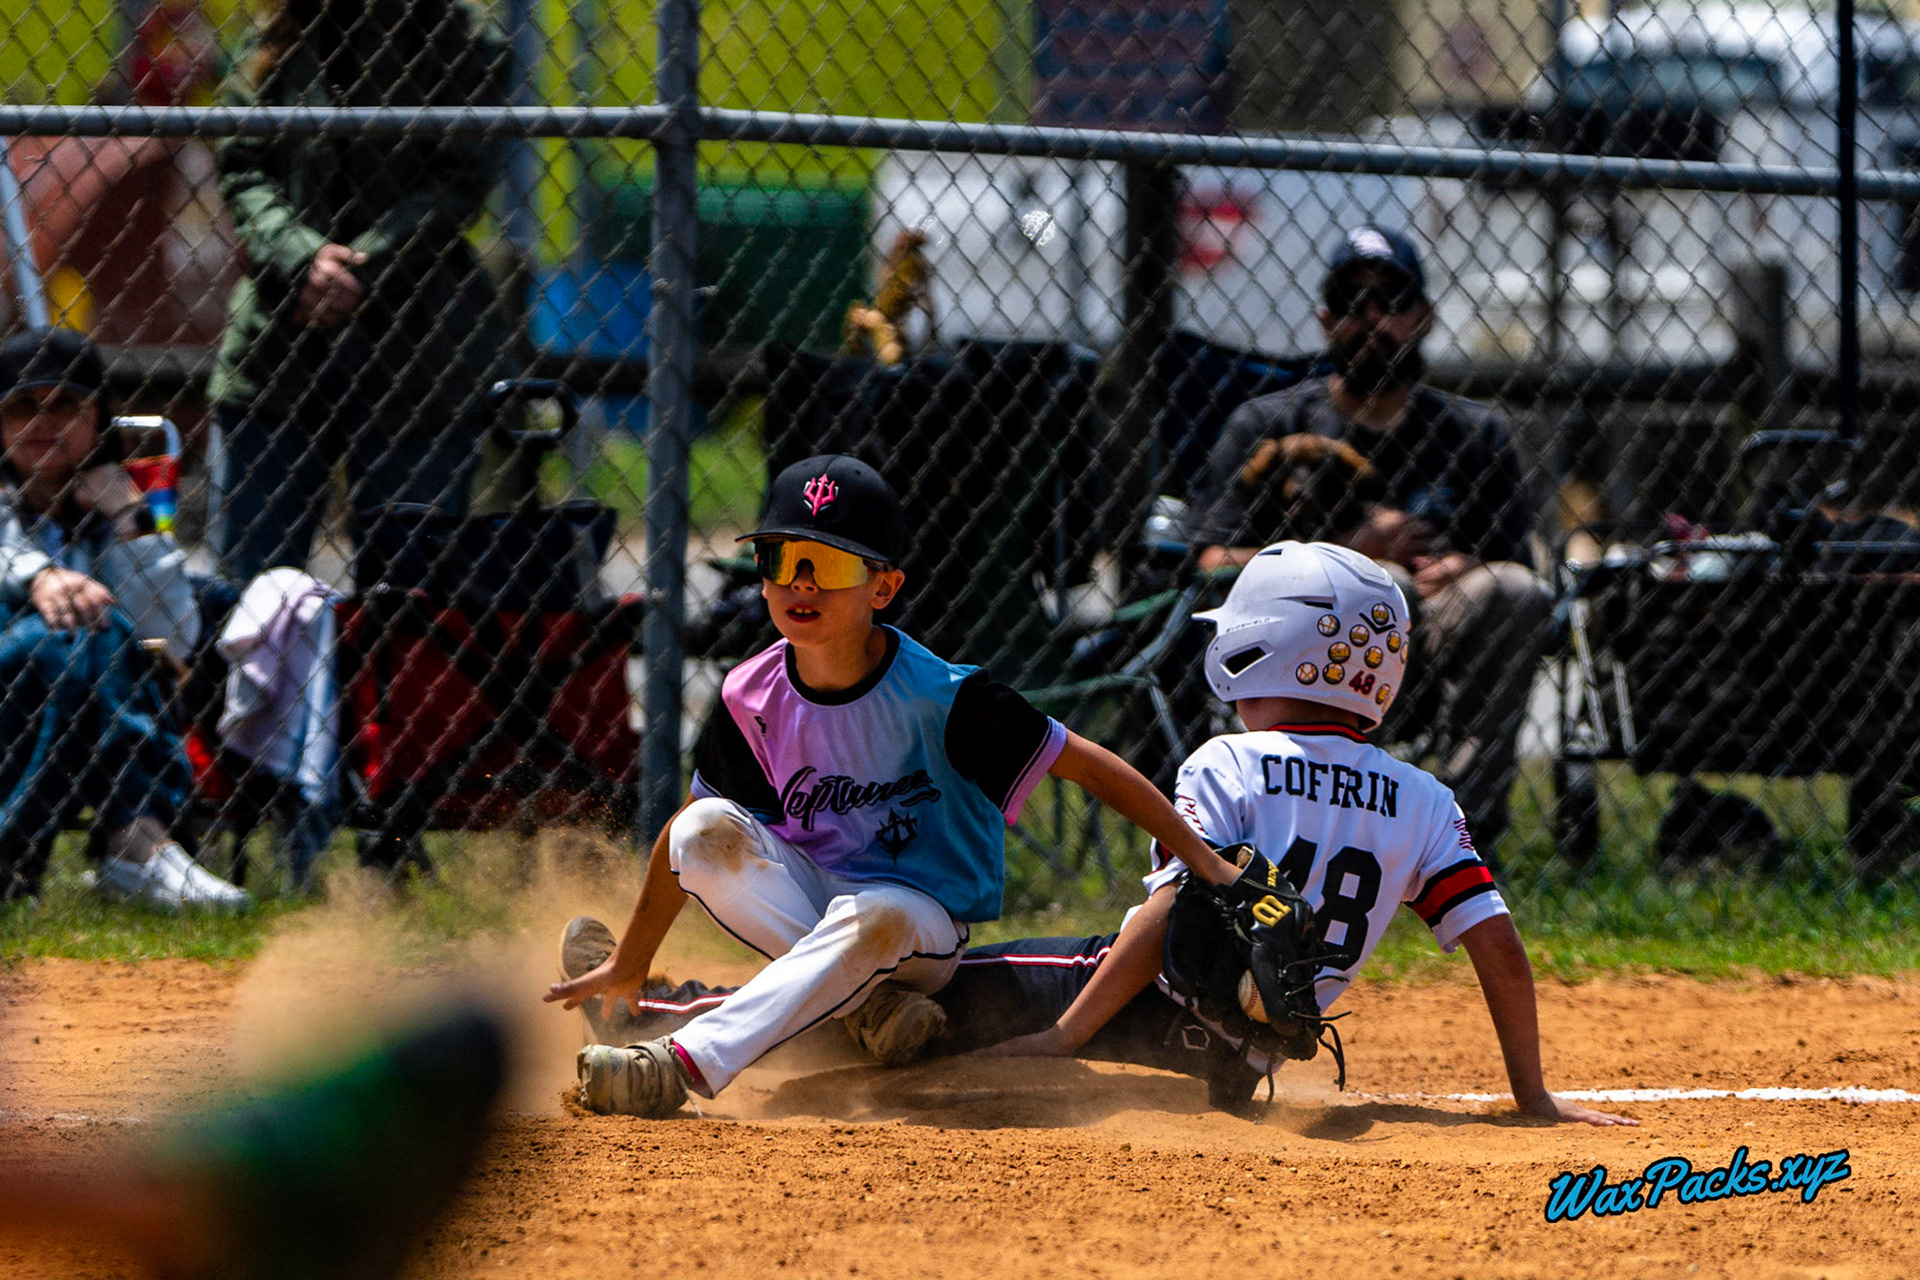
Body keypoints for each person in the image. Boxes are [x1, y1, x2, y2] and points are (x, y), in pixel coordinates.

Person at [585, 544, 1632, 1127]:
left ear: (1270, 652)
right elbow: (1494, 939)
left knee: (927, 996)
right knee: (902, 1020)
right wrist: (1532, 1095)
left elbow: (1174, 909)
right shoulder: (1423, 796)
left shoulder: (1228, 761)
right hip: (1242, 1050)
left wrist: (1068, 1032)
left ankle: (673, 1007)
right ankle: (692, 1007)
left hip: (1125, 997)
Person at [544, 454, 1254, 1118]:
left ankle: (678, 1064)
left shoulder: (945, 698)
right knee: (703, 829)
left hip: (918, 925)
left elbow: (1094, 765)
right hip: (817, 908)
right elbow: (687, 842)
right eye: (778, 560)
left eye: (824, 563)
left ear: (883, 586)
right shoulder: (746, 692)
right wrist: (629, 960)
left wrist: (1211, 865)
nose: (800, 583)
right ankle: (867, 1010)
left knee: (876, 910)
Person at [1191, 225, 1549, 849]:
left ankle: (1459, 836)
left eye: (1392, 300)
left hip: (1445, 629)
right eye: (1353, 302)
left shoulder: (1473, 435)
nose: (1373, 317)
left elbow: (1515, 558)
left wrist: (1465, 564)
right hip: (1310, 644)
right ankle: (1348, 829)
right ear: (1326, 317)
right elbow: (1211, 558)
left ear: (1425, 317)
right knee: (1388, 591)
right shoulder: (1270, 425)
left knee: (1514, 592)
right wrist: (1351, 560)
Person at [208, 0, 512, 582]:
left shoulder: (466, 41)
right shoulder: (275, 32)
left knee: (409, 600)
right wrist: (301, 257)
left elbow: (459, 181)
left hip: (422, 352)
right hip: (278, 346)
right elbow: (243, 165)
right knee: (250, 594)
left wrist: (356, 267)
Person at [0, 328, 249, 910]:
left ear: (97, 420)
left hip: (83, 702)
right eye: (21, 409)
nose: (44, 423)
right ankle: (140, 850)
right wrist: (40, 575)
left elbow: (177, 633)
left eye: (66, 405)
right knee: (83, 633)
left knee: (93, 637)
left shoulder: (117, 505)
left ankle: (108, 851)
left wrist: (128, 518)